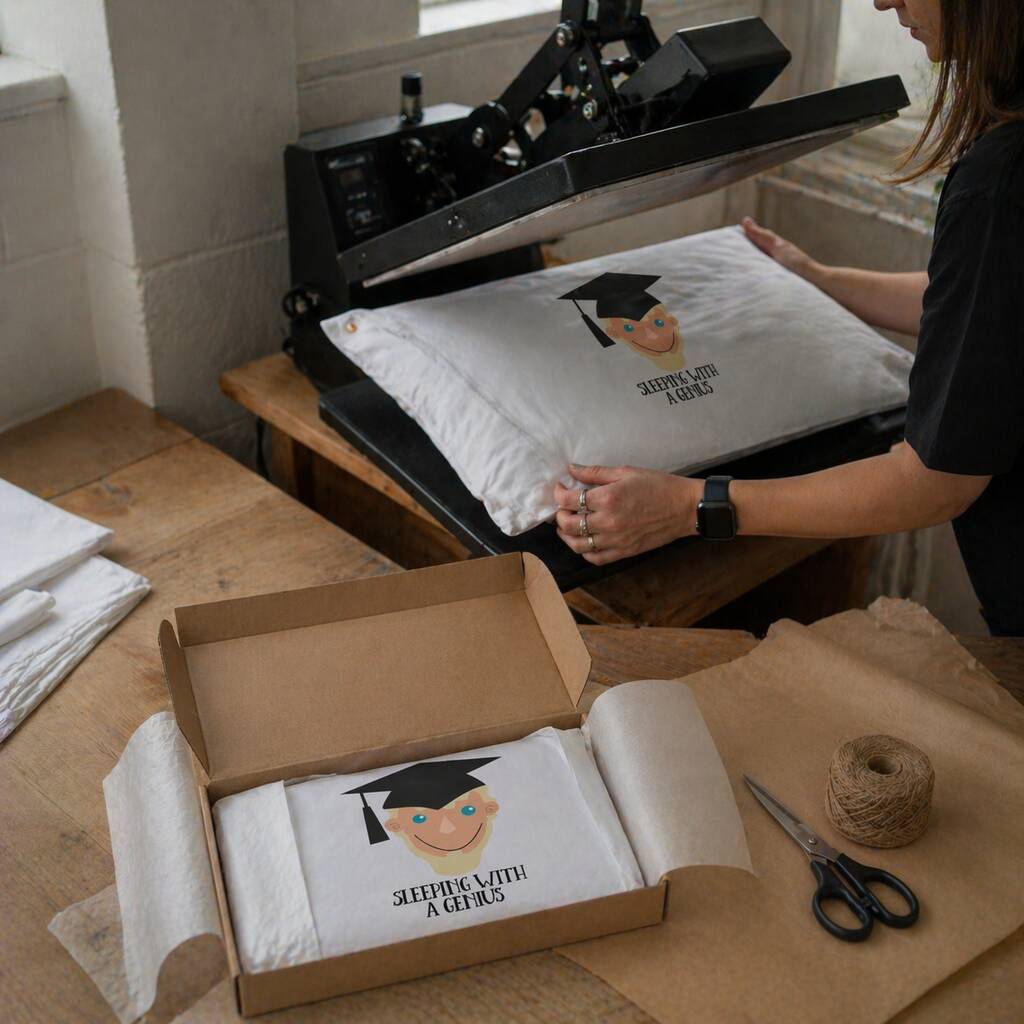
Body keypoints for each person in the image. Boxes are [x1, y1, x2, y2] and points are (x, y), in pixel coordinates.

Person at [555, 0, 1024, 636]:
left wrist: (691, 506)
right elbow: (987, 304)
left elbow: (936, 482)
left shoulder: (1001, 179)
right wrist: (818, 278)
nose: (882, 1)